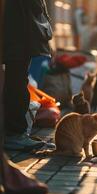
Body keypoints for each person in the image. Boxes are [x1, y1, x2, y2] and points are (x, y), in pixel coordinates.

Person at [3, 0, 52, 150]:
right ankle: (15, 134)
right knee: (16, 82)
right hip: (17, 31)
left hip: (17, 30)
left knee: (16, 80)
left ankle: (15, 133)